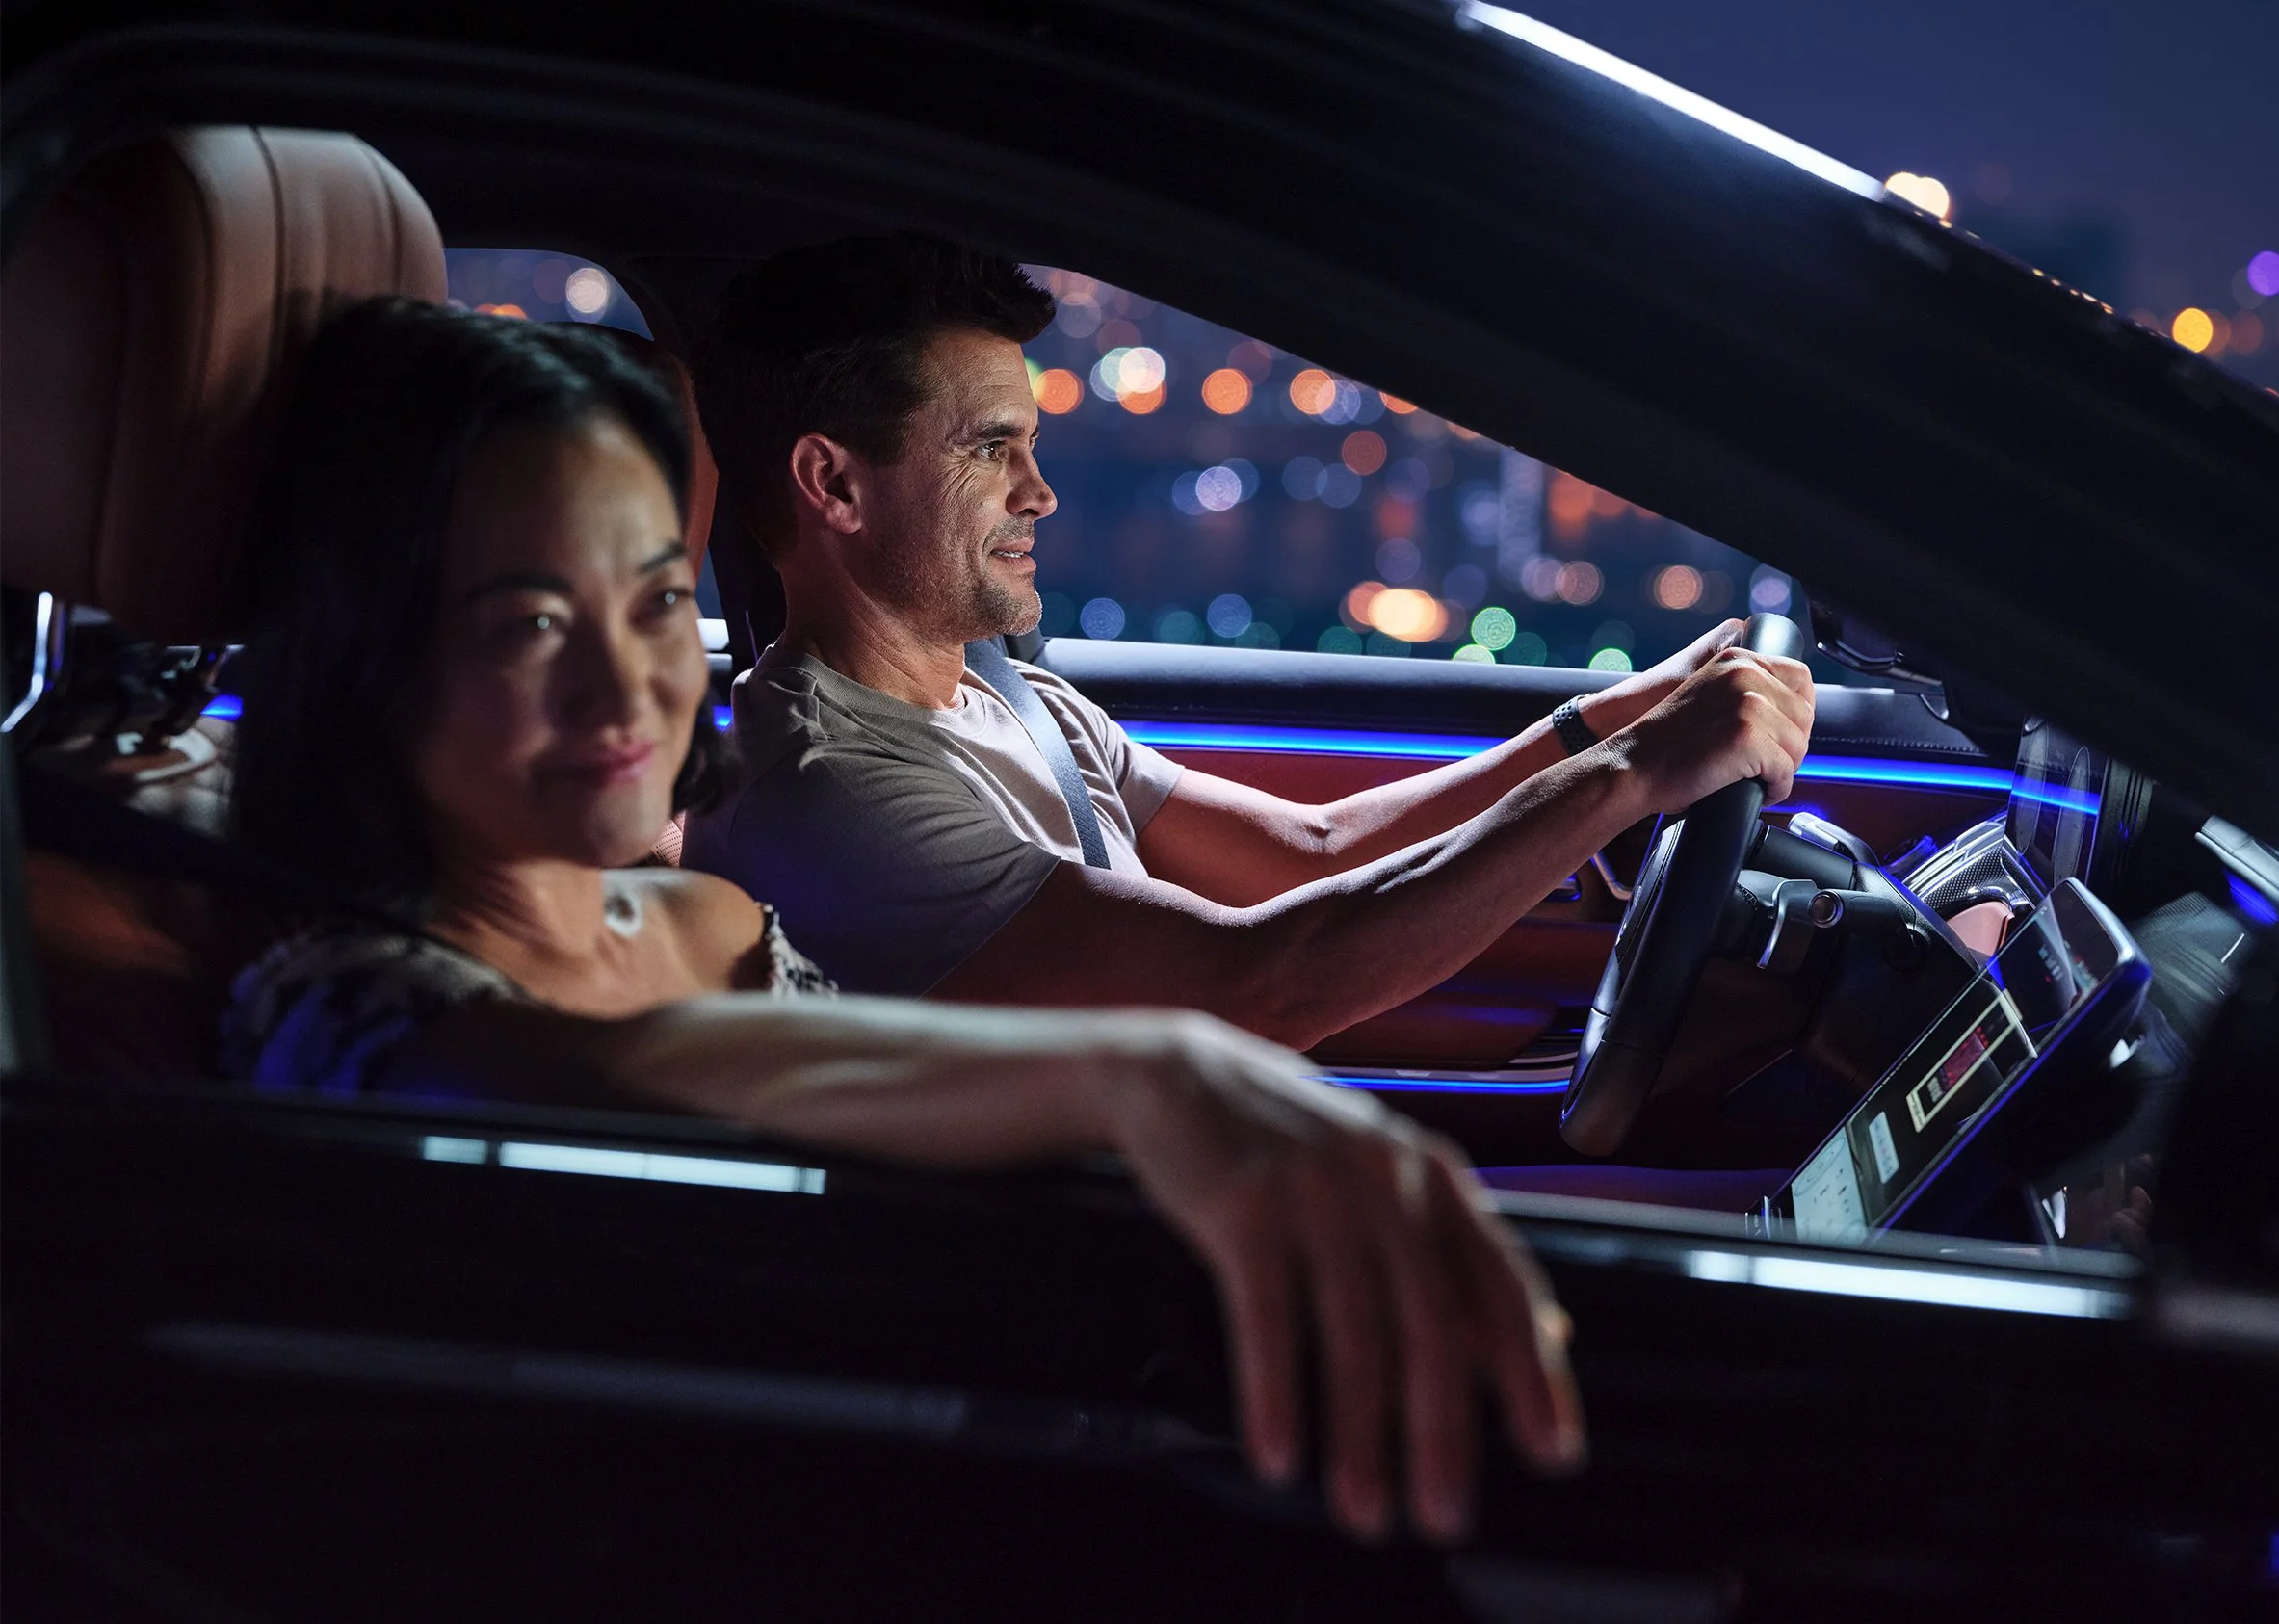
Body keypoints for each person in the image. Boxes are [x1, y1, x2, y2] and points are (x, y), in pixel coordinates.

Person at [222, 296, 1584, 1546]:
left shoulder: (697, 920)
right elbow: (562, 1076)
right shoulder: (345, 1002)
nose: (624, 688)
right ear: (368, 648)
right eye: (528, 624)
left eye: (651, 605)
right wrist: (1141, 1072)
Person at [683, 234, 1816, 1046]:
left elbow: (1313, 852)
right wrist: (1626, 777)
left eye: (1029, 444)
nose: (1038, 494)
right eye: (989, 449)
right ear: (833, 482)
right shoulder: (831, 797)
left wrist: (1603, 722)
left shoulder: (994, 695)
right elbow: (1257, 985)